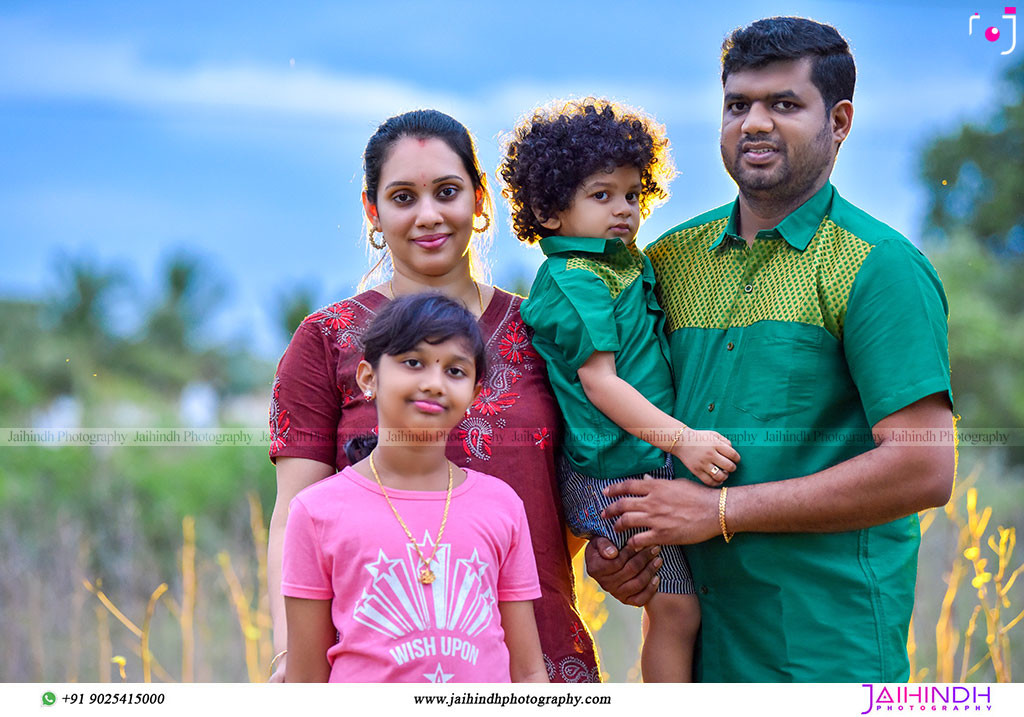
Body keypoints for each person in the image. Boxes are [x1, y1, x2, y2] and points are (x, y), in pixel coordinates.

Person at [593, 17, 955, 681]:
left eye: (784, 104)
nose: (754, 123)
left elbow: (924, 468)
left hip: (824, 661)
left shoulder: (879, 267)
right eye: (738, 105)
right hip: (692, 664)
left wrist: (720, 512)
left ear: (839, 121)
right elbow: (629, 415)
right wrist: (621, 547)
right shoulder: (667, 260)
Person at [268, 109, 599, 682]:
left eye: (447, 191)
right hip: (374, 662)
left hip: (537, 657)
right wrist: (288, 662)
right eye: (402, 197)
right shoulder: (327, 342)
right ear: (373, 211)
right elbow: (295, 520)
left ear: (480, 198)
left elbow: (578, 483)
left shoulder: (547, 329)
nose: (428, 215)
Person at [499, 98, 740, 682]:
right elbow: (601, 383)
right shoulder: (574, 280)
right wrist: (683, 441)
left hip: (638, 455)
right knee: (675, 608)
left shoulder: (616, 262)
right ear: (550, 211)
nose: (624, 210)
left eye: (632, 195)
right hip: (614, 469)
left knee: (687, 601)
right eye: (601, 196)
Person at [282, 294, 548, 682]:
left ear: (474, 395)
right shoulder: (316, 511)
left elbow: (527, 674)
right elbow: (306, 684)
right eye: (413, 363)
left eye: (455, 372)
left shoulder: (502, 506)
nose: (434, 383)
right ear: (368, 378)